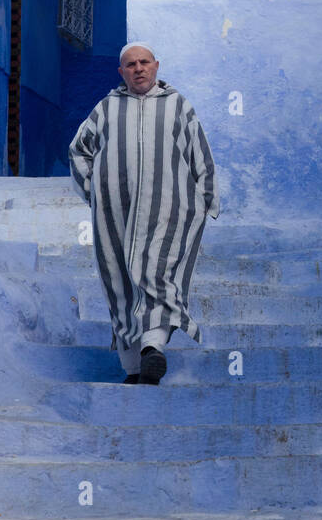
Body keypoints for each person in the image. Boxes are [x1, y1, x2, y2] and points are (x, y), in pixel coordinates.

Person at [68, 44, 220, 384]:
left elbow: (201, 155)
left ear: (156, 66)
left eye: (144, 63)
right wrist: (95, 191)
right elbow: (79, 150)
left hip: (167, 209)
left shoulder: (179, 107)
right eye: (130, 65)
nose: (138, 69)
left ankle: (154, 348)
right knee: (121, 281)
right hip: (116, 216)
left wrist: (207, 199)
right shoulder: (106, 108)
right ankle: (135, 369)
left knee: (157, 273)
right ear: (121, 72)